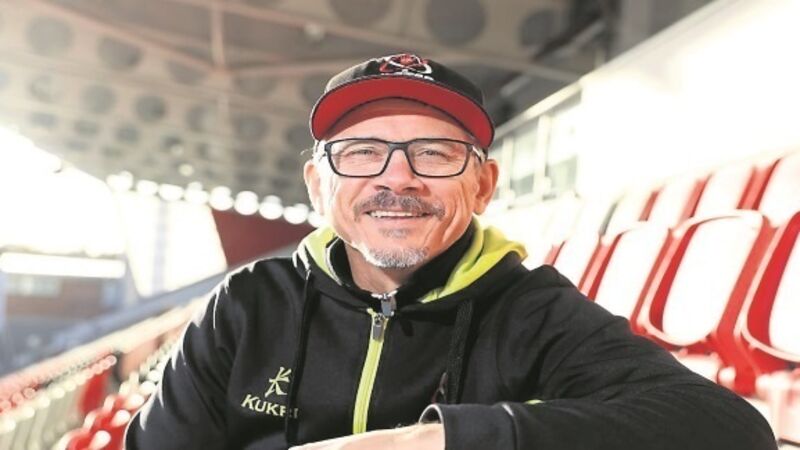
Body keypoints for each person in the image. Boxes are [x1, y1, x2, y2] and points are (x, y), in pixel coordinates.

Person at [125, 53, 776, 450]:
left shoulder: (531, 310)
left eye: (434, 154)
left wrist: (443, 441)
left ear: (484, 185)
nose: (397, 178)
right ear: (318, 186)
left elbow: (730, 431)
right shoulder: (245, 306)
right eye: (362, 153)